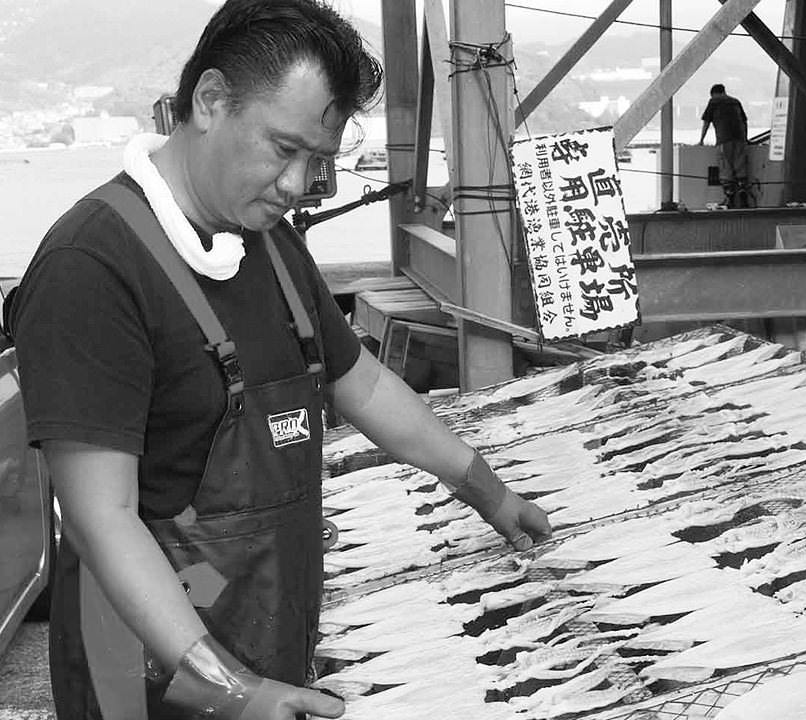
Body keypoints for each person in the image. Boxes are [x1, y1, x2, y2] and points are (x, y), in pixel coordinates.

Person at [10, 1, 552, 718]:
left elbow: (363, 384)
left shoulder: (270, 244)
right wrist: (232, 691)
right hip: (147, 674)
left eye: (317, 160)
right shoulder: (92, 267)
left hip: (266, 633)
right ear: (210, 101)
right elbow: (99, 517)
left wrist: (486, 489)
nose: (297, 185)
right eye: (283, 149)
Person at [699, 83, 749, 208]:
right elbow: (744, 121)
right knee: (740, 166)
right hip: (740, 139)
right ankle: (743, 193)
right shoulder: (735, 101)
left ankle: (730, 198)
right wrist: (745, 138)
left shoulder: (714, 101)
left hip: (724, 139)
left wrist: (701, 140)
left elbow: (706, 122)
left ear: (713, 94)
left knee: (725, 167)